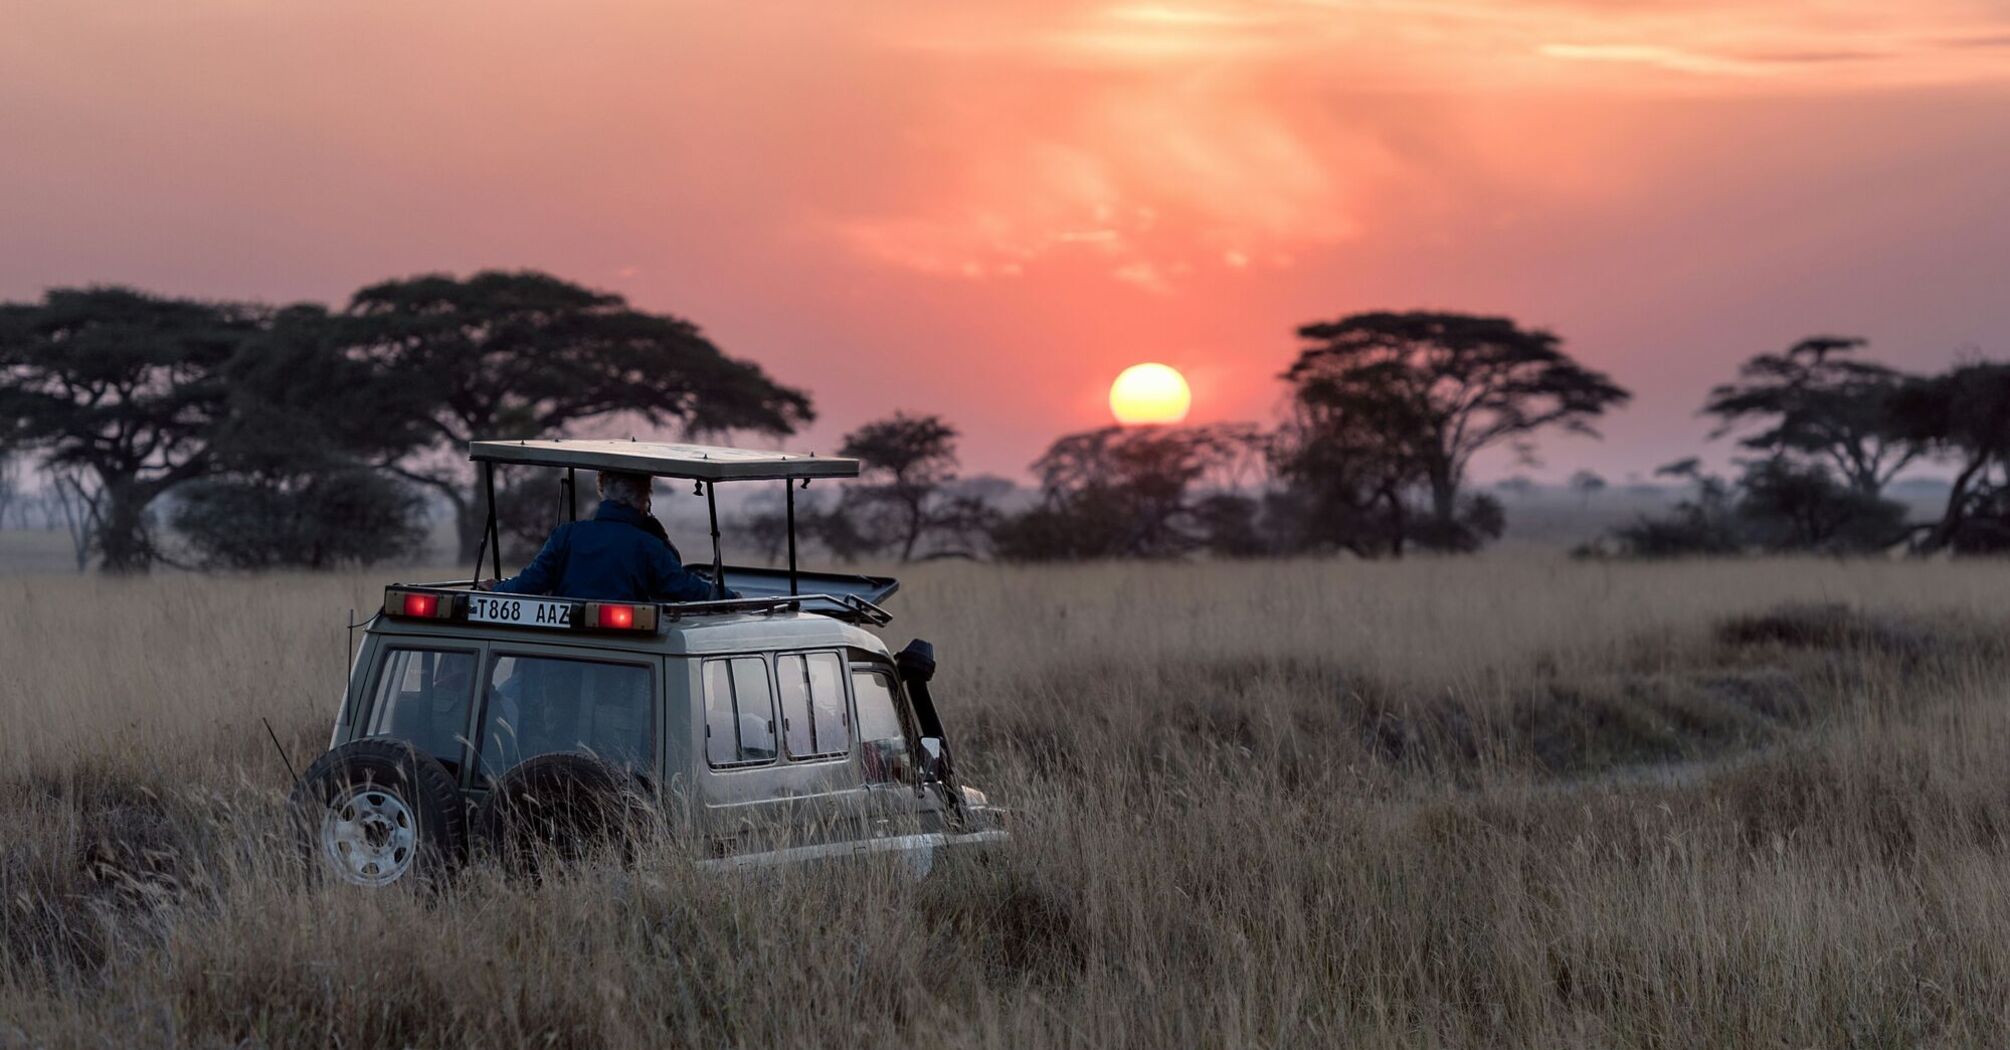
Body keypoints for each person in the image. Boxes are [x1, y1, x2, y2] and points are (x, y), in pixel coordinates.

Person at [481, 470, 734, 602]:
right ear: (644, 497)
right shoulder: (648, 545)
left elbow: (531, 582)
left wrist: (499, 589)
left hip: (565, 657)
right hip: (628, 659)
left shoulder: (567, 535)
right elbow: (681, 587)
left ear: (602, 490)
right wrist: (729, 598)